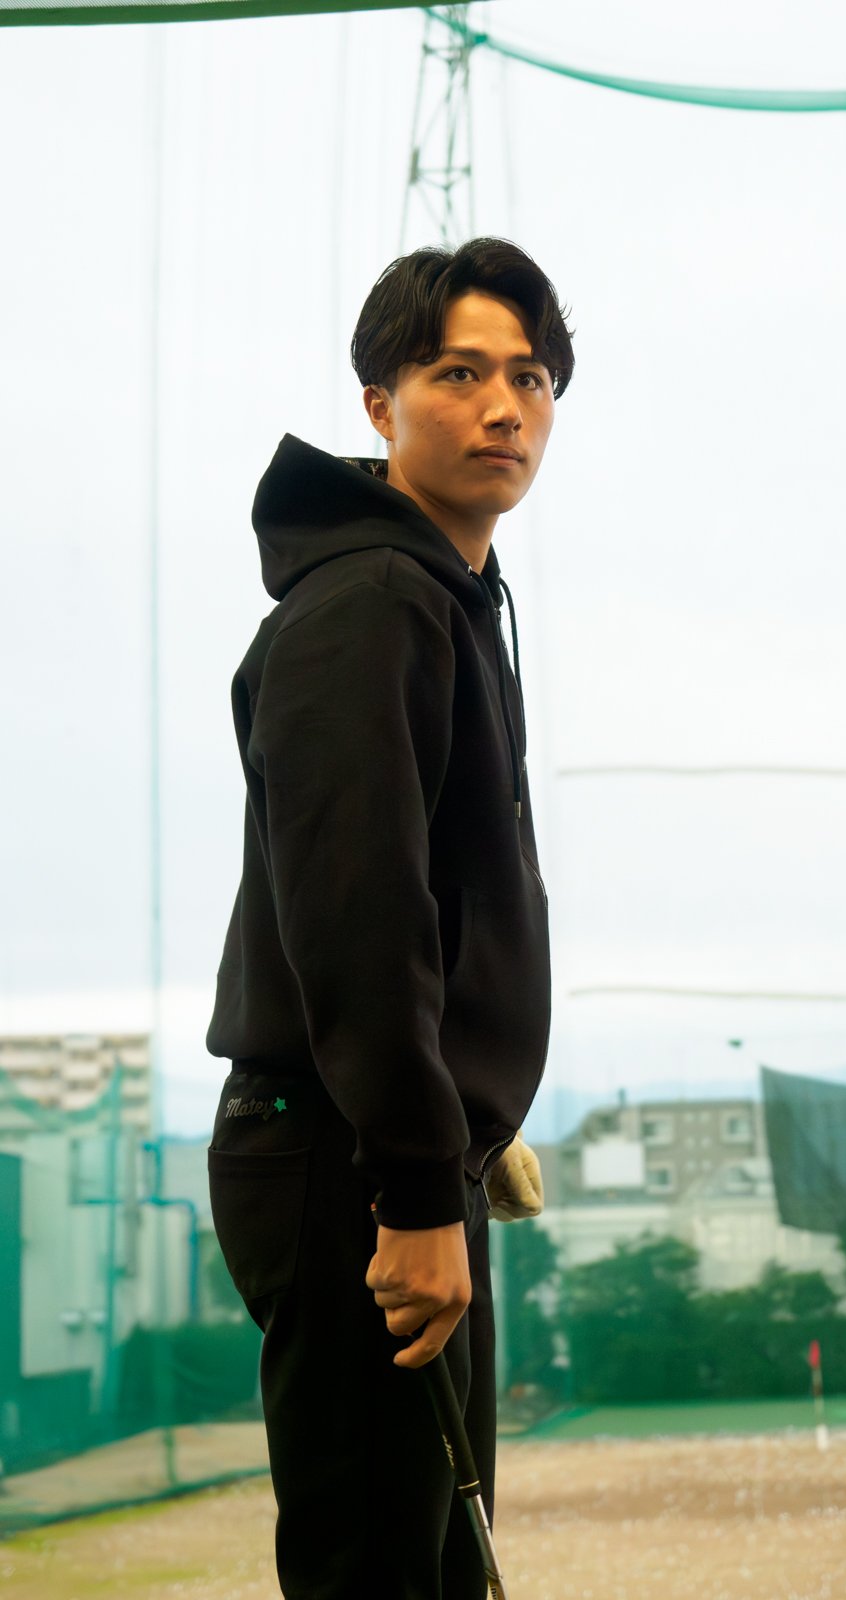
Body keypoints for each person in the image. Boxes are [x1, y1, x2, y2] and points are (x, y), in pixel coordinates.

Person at [204, 236, 574, 1599]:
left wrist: (470, 1114)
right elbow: (355, 917)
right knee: (382, 1573)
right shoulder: (370, 605)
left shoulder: (442, 597)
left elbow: (441, 893)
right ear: (379, 404)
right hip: (347, 1159)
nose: (503, 407)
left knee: (438, 1568)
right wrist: (417, 1179)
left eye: (529, 378)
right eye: (458, 373)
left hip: (398, 1145)